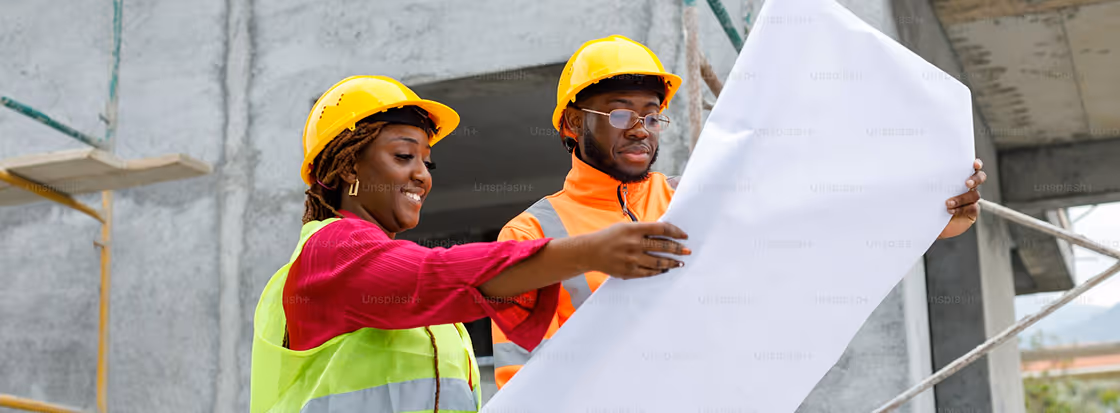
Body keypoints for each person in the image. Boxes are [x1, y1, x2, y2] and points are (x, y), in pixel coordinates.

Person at [490, 34, 989, 389]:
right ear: (574, 123)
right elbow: (522, 378)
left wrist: (938, 214)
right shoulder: (532, 231)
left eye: (651, 114)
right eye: (621, 113)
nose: (641, 128)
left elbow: (819, 221)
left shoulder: (694, 201)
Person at [249, 75, 691, 413]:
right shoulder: (330, 251)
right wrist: (589, 251)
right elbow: (434, 276)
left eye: (427, 160)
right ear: (348, 169)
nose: (423, 174)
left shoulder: (433, 325)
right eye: (404, 156)